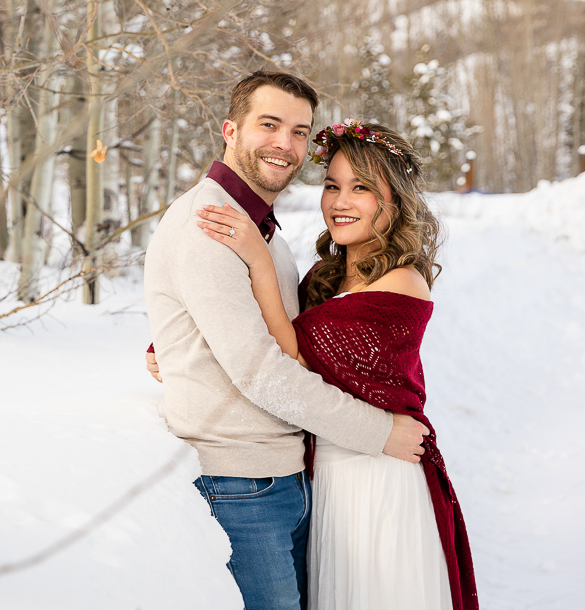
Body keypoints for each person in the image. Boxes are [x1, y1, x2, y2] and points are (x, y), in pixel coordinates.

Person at [143, 71, 429, 610]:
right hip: (243, 482)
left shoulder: (258, 229)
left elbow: (280, 333)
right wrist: (378, 431)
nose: (286, 143)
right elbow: (262, 371)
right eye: (269, 124)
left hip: (288, 477)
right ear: (230, 129)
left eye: (300, 131)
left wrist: (177, 347)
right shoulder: (209, 225)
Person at [194, 120, 478, 610]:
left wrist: (257, 259)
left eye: (361, 188)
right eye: (332, 185)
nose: (339, 201)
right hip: (329, 480)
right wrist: (191, 347)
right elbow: (263, 330)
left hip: (379, 480)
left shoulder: (402, 283)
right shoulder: (330, 273)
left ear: (395, 200)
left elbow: (292, 358)